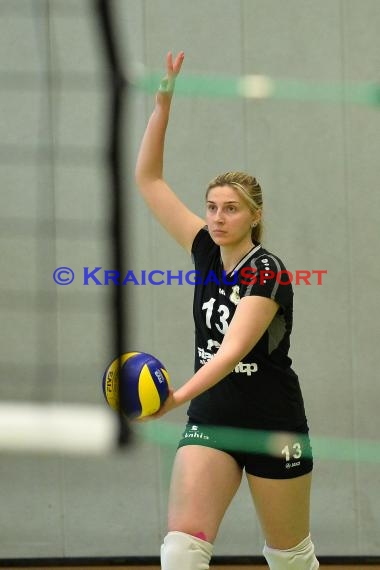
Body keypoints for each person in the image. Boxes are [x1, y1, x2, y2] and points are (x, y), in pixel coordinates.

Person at [135, 51, 319, 570]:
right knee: (181, 548)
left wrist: (173, 398)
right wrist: (162, 106)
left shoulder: (269, 272)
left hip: (271, 421)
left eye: (230, 208)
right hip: (213, 419)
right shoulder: (203, 249)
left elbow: (232, 349)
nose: (217, 217)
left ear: (254, 216)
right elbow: (149, 180)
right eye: (212, 206)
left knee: (289, 557)